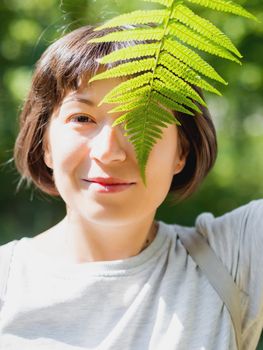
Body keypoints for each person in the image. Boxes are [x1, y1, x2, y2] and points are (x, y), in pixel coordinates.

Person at [0, 24, 262, 350]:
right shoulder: (6, 285)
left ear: (182, 151)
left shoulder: (233, 261)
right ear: (46, 145)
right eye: (82, 118)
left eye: (142, 118)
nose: (109, 152)